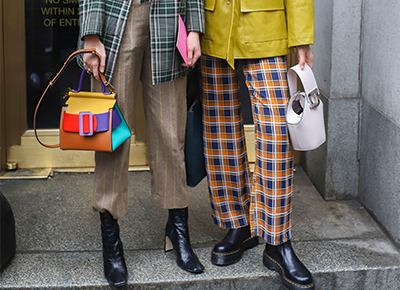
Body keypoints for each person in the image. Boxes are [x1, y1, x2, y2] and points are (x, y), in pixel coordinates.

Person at [78, 0, 205, 287]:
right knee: (111, 138)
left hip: (170, 19)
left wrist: (195, 28)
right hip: (117, 18)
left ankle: (178, 229)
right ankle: (110, 240)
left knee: (171, 132)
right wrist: (91, 34)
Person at [199, 0, 315, 289]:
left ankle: (278, 241)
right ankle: (238, 223)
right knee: (220, 132)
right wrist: (189, 28)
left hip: (267, 25)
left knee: (276, 137)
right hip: (213, 25)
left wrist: (301, 38)